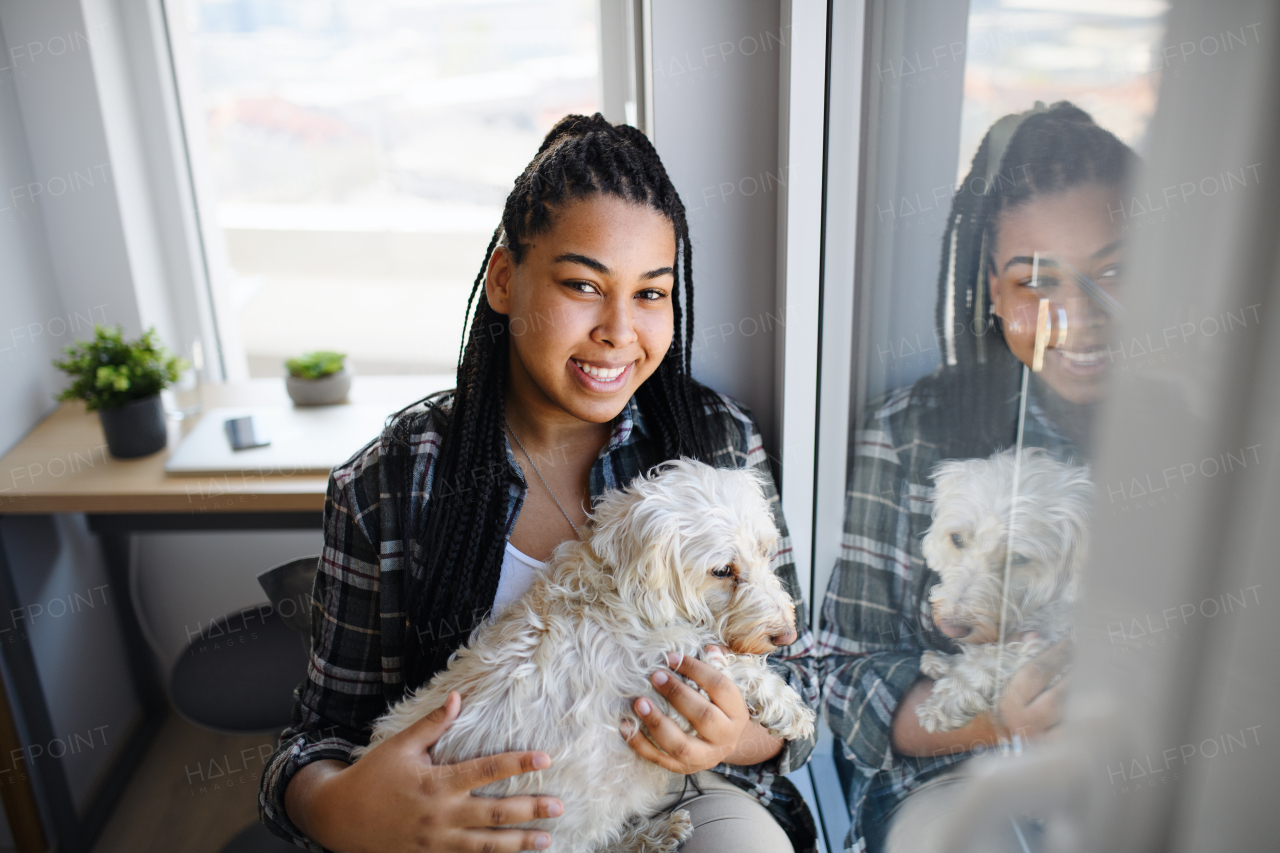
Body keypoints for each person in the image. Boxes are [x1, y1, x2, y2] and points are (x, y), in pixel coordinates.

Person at [258, 114, 820, 853]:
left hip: (673, 795)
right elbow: (317, 736)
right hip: (480, 818)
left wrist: (732, 738)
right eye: (584, 284)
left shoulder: (713, 441)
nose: (620, 329)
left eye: (651, 293)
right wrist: (341, 808)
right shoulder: (389, 482)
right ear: (503, 280)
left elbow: (803, 690)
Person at [818, 102, 1137, 853]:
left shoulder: (1210, 436)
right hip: (951, 783)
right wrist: (1000, 714)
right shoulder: (910, 429)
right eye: (1035, 282)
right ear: (993, 292)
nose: (1074, 316)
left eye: (1114, 271)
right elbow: (838, 673)